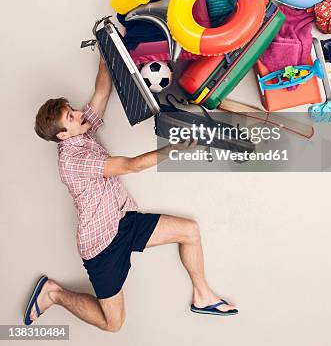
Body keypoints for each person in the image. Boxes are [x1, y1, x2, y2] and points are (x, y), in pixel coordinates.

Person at [27, 54, 237, 330]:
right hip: (102, 244)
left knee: (189, 231)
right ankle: (54, 293)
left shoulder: (81, 130)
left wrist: (106, 58)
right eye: (71, 116)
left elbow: (101, 91)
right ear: (62, 135)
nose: (79, 113)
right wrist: (172, 149)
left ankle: (202, 296)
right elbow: (131, 165)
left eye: (72, 109)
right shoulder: (72, 161)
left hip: (125, 220)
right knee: (113, 324)